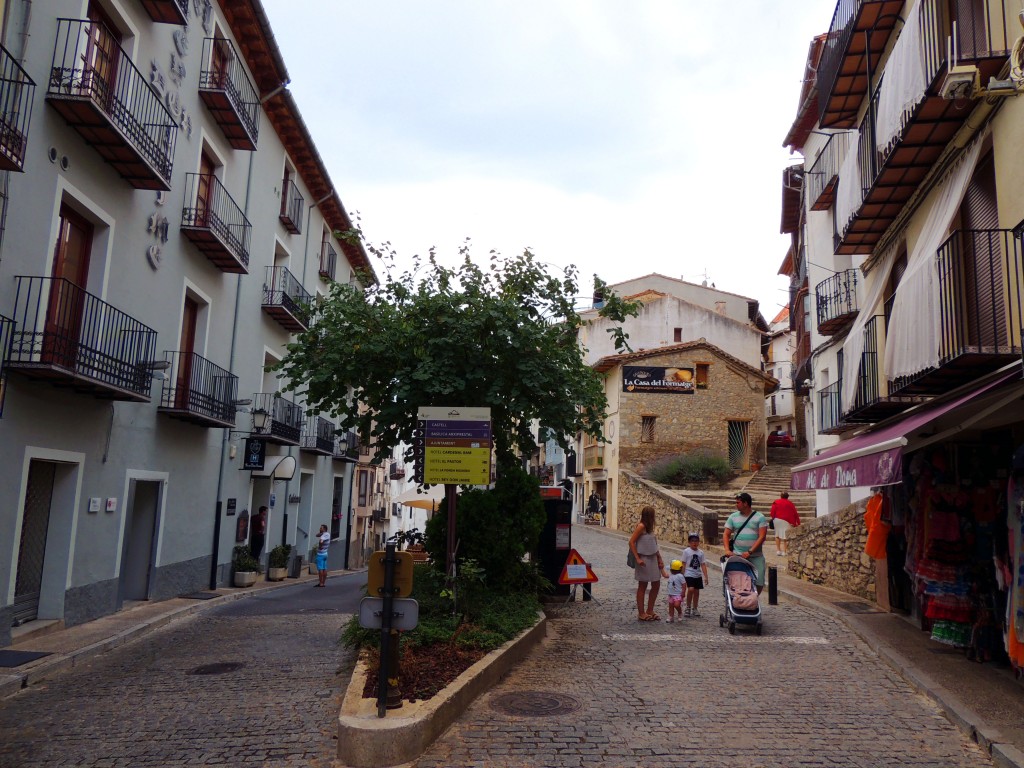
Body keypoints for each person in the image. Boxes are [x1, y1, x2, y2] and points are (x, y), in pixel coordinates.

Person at [724, 492, 769, 594]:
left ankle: (753, 599)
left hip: (756, 555)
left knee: (759, 581)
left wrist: (750, 551)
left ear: (745, 503)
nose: (736, 504)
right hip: (738, 555)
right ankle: (739, 600)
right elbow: (726, 534)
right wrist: (727, 549)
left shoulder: (760, 517)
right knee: (737, 580)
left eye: (738, 502)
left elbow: (762, 536)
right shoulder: (733, 517)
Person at [628, 506, 666, 621]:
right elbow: (631, 542)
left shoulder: (650, 528)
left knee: (656, 584)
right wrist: (637, 558)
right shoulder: (641, 526)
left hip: (653, 558)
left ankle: (650, 609)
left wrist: (659, 558)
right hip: (643, 558)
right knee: (643, 585)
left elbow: (654, 544)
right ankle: (641, 612)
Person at [682, 533, 709, 617]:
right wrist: (682, 575)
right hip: (689, 573)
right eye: (692, 541)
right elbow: (683, 563)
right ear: (689, 542)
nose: (694, 543)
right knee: (690, 589)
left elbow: (703, 564)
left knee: (696, 592)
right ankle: (688, 607)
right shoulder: (686, 551)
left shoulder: (701, 553)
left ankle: (695, 608)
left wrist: (706, 576)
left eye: (696, 541)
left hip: (697, 574)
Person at [769, 491, 802, 556]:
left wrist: (773, 518)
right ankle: (784, 551)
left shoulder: (776, 502)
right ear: (787, 497)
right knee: (785, 537)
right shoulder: (790, 503)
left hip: (777, 520)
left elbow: (772, 512)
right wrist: (798, 523)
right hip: (787, 521)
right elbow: (795, 514)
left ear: (781, 496)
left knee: (777, 535)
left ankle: (778, 550)